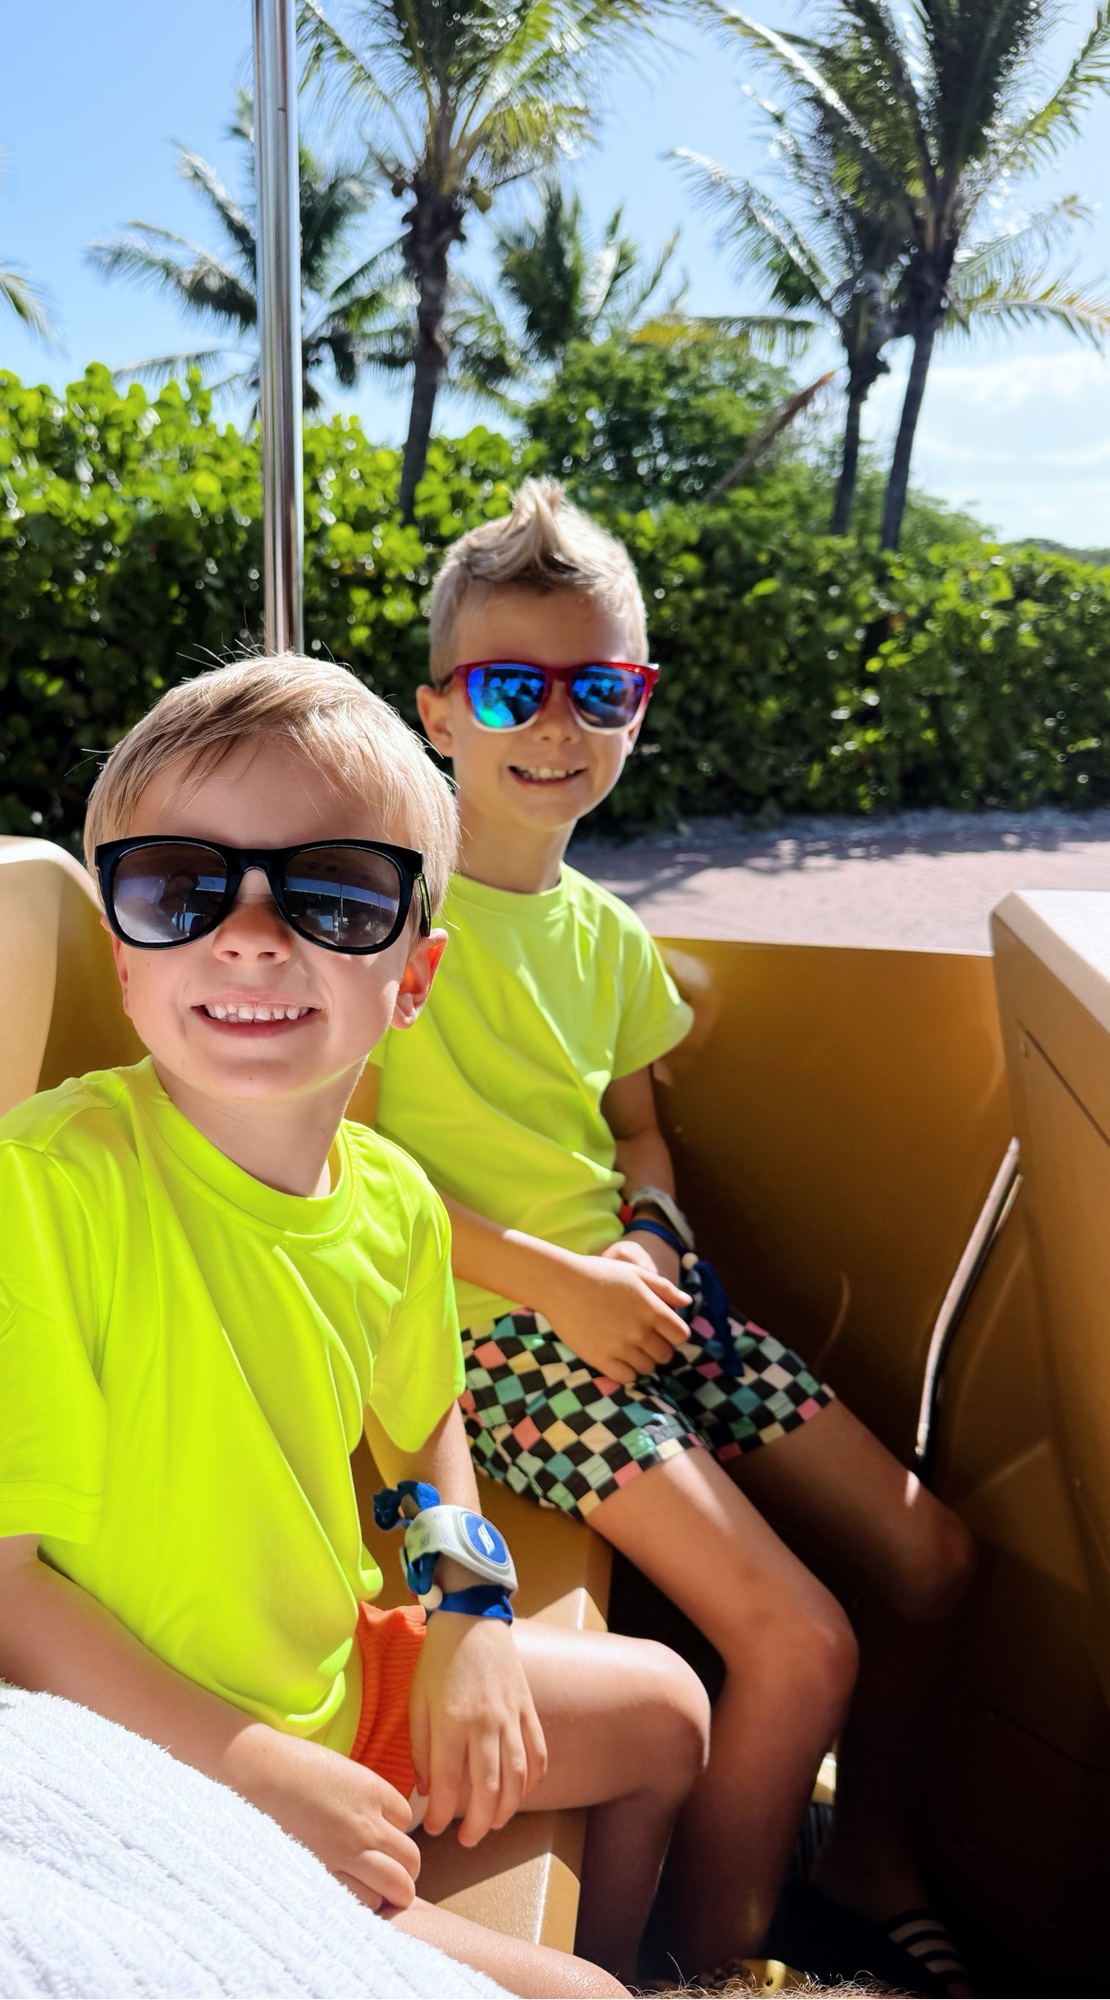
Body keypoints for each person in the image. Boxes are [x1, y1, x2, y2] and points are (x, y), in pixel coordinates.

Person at [0, 656, 711, 2000]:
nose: (252, 935)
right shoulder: (42, 1191)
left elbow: (426, 1427)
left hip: (332, 1683)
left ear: (415, 974)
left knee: (671, 1711)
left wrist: (469, 1615)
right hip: (133, 1766)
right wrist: (257, 1770)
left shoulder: (391, 1198)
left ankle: (653, 1955)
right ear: (123, 953)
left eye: (334, 895)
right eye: (178, 888)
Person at [352, 482, 978, 1995]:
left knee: (932, 1557)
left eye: (601, 689)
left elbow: (635, 1131)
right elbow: (349, 1171)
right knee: (803, 1643)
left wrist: (648, 1234)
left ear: (639, 708)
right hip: (497, 1336)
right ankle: (708, 1963)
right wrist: (564, 1284)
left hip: (637, 1296)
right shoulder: (381, 916)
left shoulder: (606, 935)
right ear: (438, 714)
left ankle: (866, 1850)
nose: (557, 724)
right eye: (512, 688)